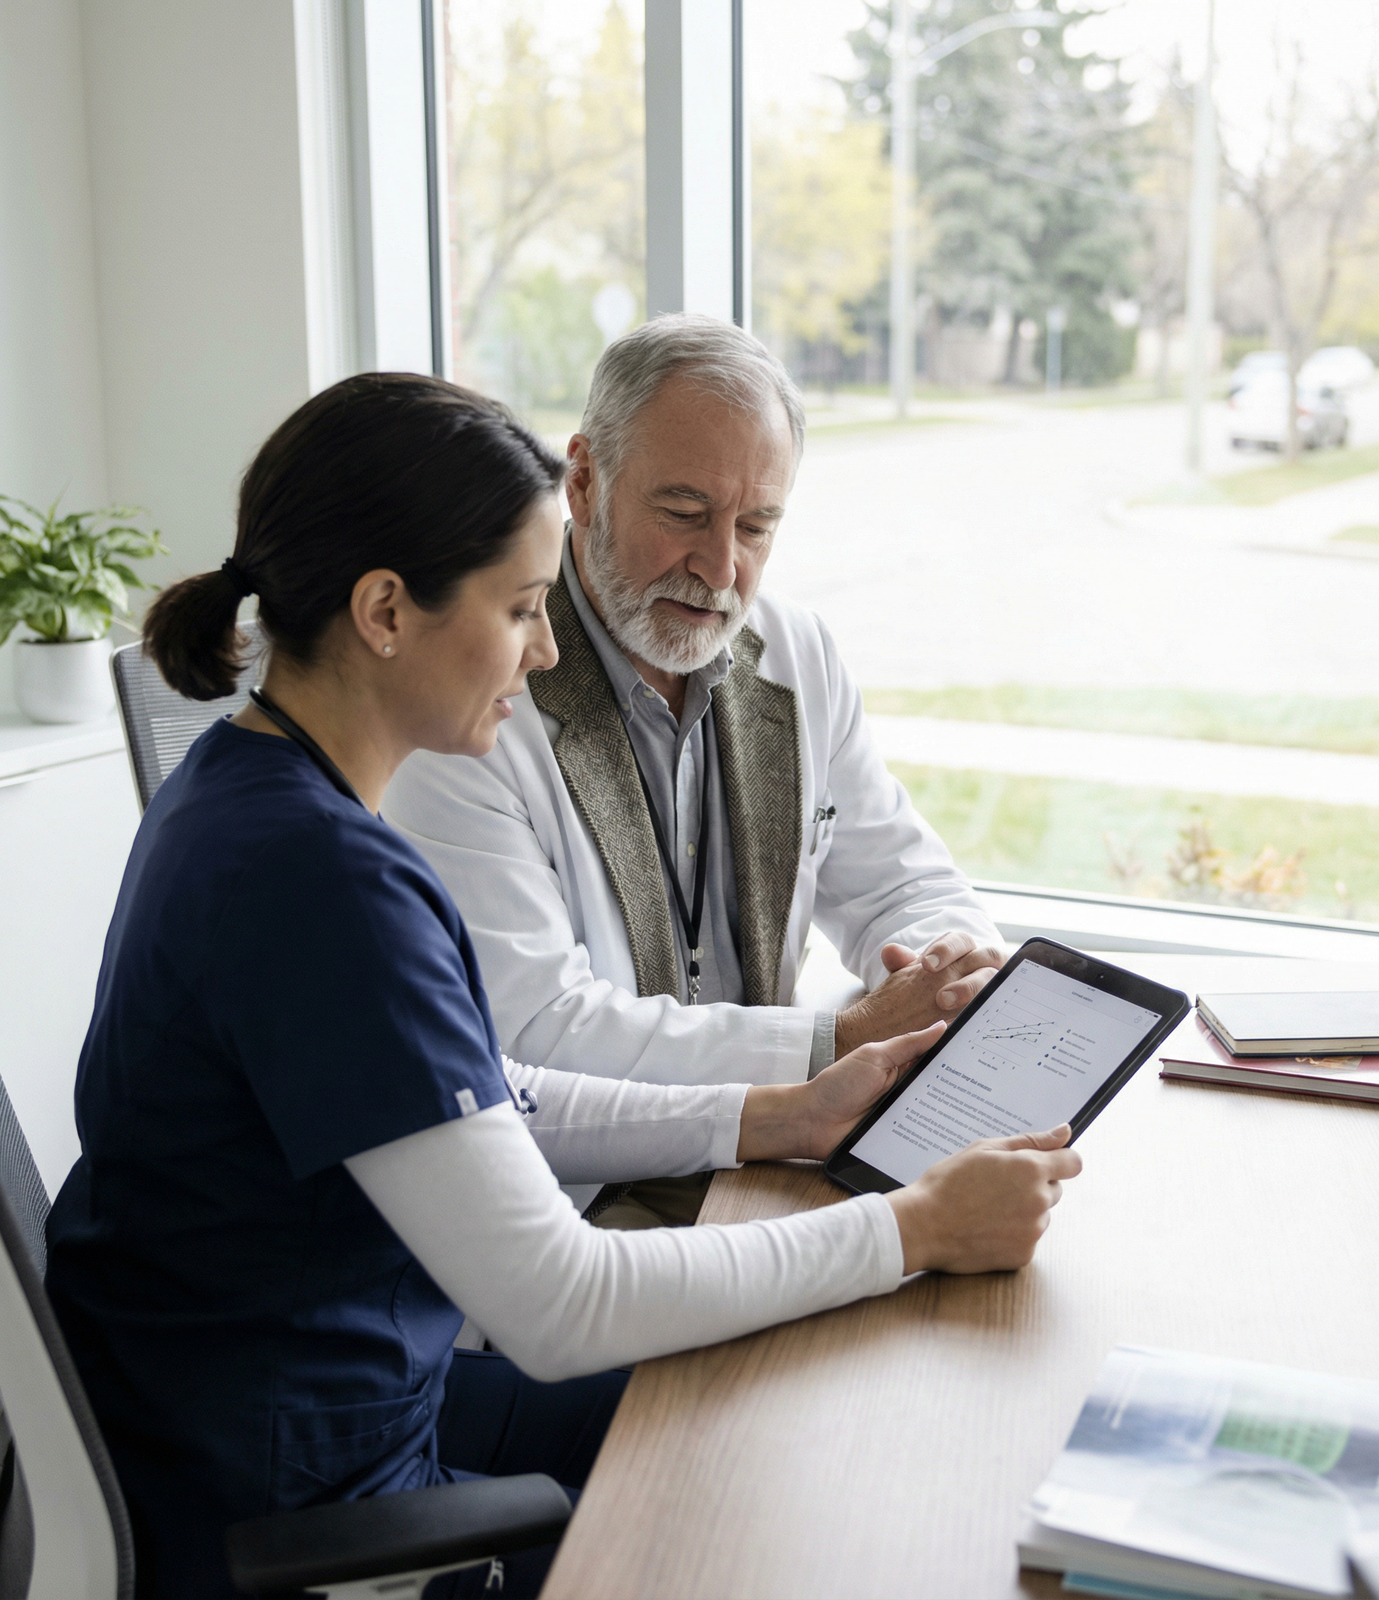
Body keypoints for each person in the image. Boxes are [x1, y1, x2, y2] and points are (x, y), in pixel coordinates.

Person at [44, 373, 1083, 1599]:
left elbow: (483, 1094)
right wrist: (916, 1227)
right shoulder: (323, 882)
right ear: (385, 611)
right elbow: (559, 1302)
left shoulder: (247, 788)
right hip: (293, 1497)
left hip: (325, 1402)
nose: (544, 651)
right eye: (523, 608)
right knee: (765, 1532)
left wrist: (779, 1115)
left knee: (764, 1413)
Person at [385, 316, 1007, 1229]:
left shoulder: (796, 652)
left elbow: (902, 881)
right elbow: (535, 1036)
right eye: (684, 513)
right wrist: (835, 1041)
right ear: (584, 482)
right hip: (585, 1207)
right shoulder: (470, 701)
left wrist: (954, 973)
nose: (721, 567)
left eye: (756, 525)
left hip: (769, 1165)